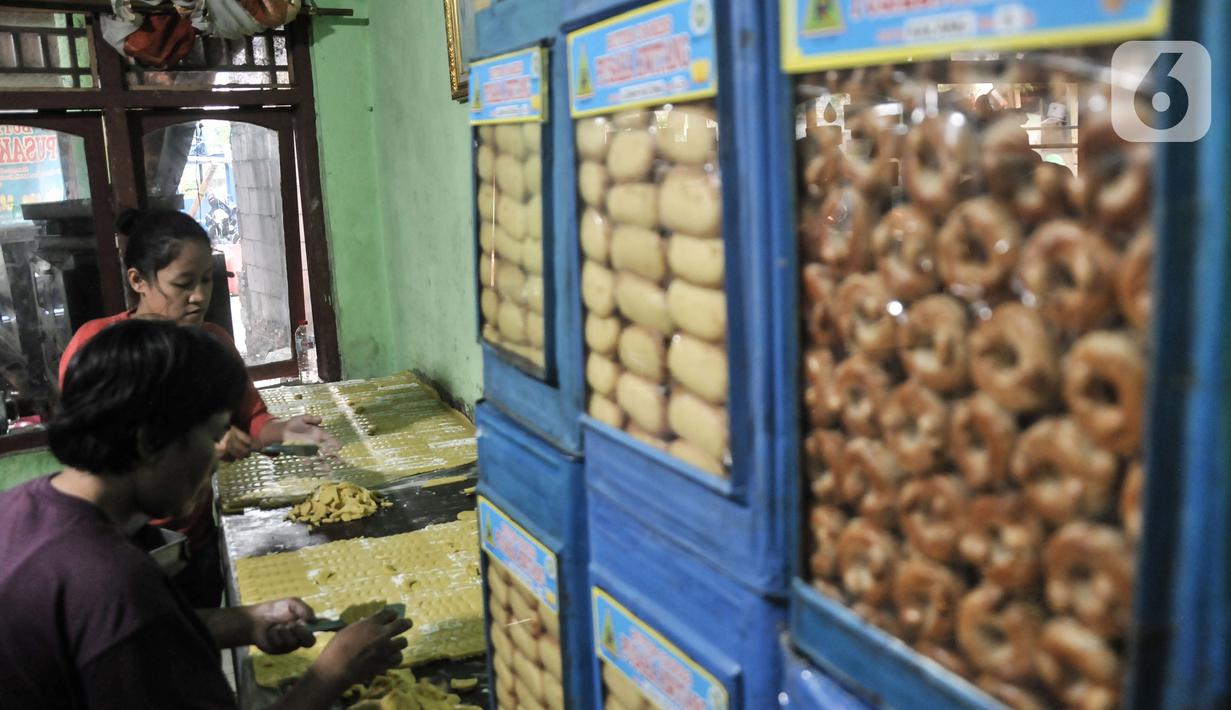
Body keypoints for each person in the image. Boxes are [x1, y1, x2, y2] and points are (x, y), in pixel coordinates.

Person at [0, 320, 409, 709]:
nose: (216, 458)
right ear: (149, 442)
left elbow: (123, 633)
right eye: (213, 435)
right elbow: (127, 621)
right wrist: (334, 670)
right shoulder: (112, 581)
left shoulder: (18, 509)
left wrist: (245, 622)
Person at [57, 208, 340, 607]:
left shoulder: (212, 345)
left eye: (207, 280)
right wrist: (201, 447)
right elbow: (92, 454)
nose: (199, 296)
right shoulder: (100, 349)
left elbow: (250, 417)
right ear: (138, 280)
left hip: (193, 541)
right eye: (183, 284)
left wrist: (282, 431)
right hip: (118, 544)